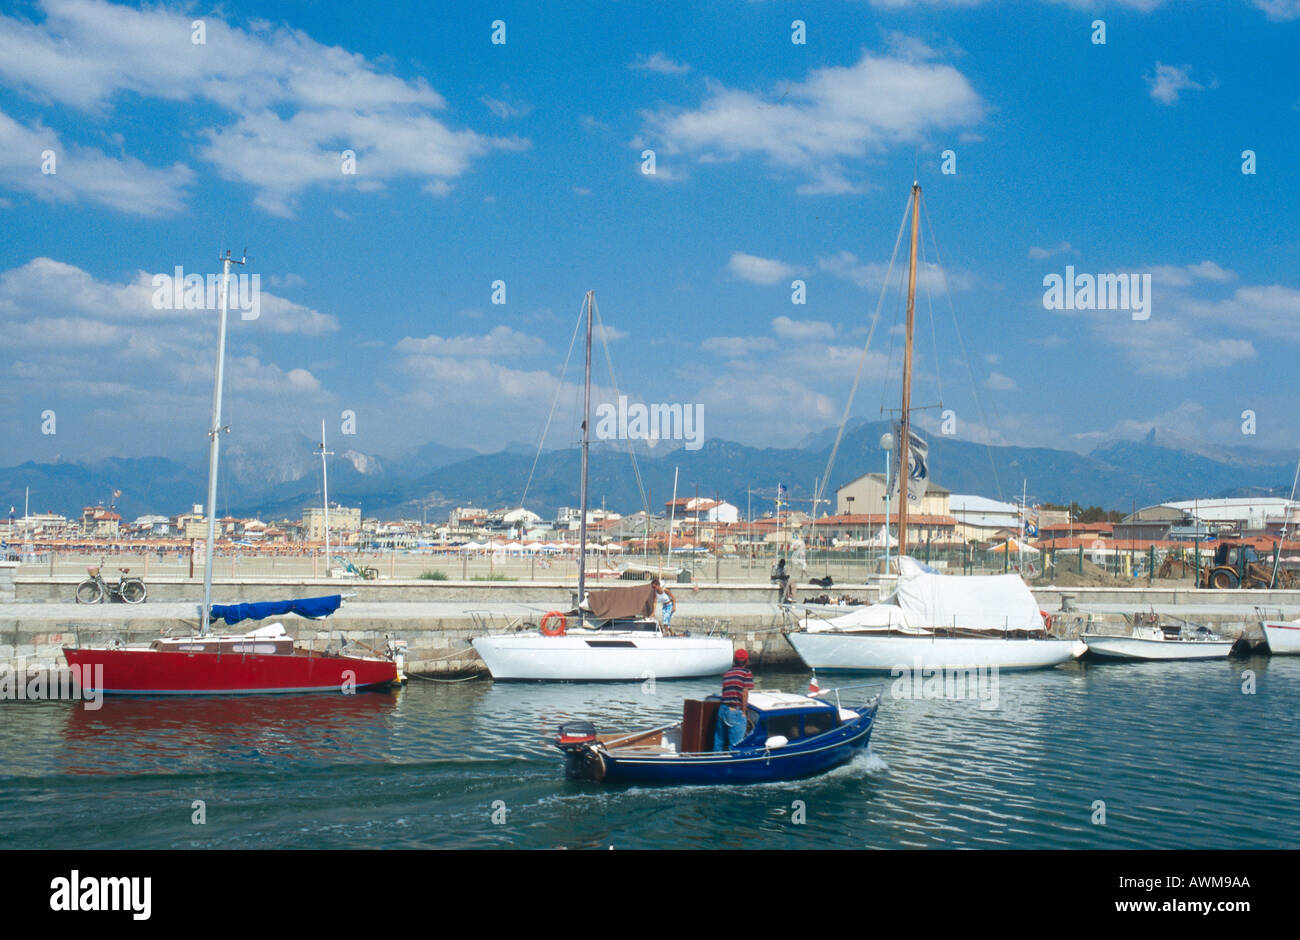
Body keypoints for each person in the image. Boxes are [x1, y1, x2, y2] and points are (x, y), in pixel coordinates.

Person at [713, 649, 753, 752]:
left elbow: (725, 692)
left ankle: (716, 762)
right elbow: (745, 693)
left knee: (718, 743)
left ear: (734, 660)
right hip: (735, 711)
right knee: (736, 746)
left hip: (722, 710)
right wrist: (744, 712)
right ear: (746, 661)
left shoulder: (727, 673)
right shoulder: (746, 673)